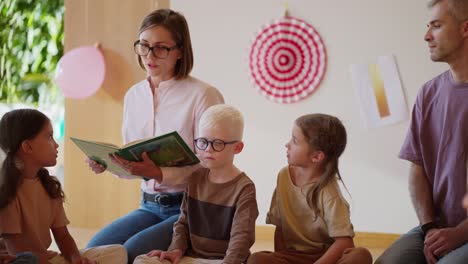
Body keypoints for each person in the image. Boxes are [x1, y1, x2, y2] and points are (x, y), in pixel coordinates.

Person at [85, 8, 224, 263]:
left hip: (191, 206)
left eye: (160, 48)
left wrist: (160, 173)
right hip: (148, 205)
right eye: (144, 45)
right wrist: (108, 163)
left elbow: (214, 165)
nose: (150, 55)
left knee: (129, 252)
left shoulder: (203, 95)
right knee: (93, 251)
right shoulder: (133, 96)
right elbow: (134, 158)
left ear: (180, 51)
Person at [375, 0, 468, 263]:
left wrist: (459, 234)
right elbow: (417, 168)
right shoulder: (429, 93)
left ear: (465, 29)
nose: (426, 36)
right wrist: (429, 229)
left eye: (436, 26)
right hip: (436, 228)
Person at [133, 104, 258, 264]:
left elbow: (242, 237)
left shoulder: (244, 188)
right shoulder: (195, 178)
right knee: (142, 261)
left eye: (218, 143)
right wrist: (175, 250)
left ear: (237, 147)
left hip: (225, 260)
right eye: (203, 142)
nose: (208, 150)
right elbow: (183, 223)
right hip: (191, 257)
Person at [0, 109, 127, 264]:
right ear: (27, 147)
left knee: (117, 252)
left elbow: (63, 236)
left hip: (45, 258)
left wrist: (76, 258)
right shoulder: (7, 190)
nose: (56, 144)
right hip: (22, 261)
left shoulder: (49, 186)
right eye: (49, 137)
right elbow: (18, 252)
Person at [247, 114, 372, 264]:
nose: (287, 144)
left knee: (360, 255)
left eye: (295, 141)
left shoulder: (329, 193)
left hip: (326, 257)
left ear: (317, 156)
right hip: (294, 255)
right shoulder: (283, 176)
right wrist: (280, 257)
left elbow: (344, 243)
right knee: (256, 260)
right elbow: (280, 227)